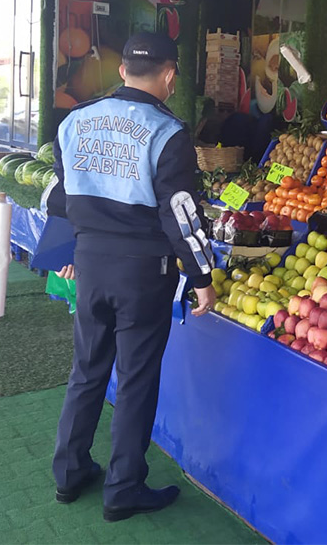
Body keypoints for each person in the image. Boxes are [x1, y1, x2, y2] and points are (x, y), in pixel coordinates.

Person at [45, 32, 217, 522]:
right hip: (143, 272)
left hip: (89, 264)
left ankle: (69, 472)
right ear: (169, 76)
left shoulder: (75, 120)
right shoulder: (168, 133)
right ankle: (123, 488)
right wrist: (202, 276)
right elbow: (180, 214)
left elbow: (60, 195)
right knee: (136, 379)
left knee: (87, 370)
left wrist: (63, 251)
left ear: (122, 71)